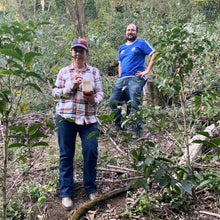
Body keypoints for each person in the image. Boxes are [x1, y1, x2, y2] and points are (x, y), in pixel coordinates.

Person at [52, 38, 104, 211]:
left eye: (81, 50)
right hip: (66, 118)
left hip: (88, 119)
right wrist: (70, 88)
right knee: (66, 155)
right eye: (75, 50)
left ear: (86, 53)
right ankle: (66, 192)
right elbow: (55, 93)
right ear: (71, 52)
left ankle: (90, 188)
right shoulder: (64, 72)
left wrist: (92, 99)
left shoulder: (94, 72)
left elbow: (100, 94)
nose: (78, 53)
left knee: (91, 152)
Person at [109, 24, 156, 137]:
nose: (130, 32)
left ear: (137, 32)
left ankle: (137, 132)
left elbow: (155, 54)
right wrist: (120, 76)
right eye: (128, 30)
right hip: (122, 79)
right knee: (113, 101)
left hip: (135, 78)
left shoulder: (141, 43)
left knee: (135, 103)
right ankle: (119, 127)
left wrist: (147, 71)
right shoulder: (122, 47)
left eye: (132, 30)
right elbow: (120, 63)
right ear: (126, 32)